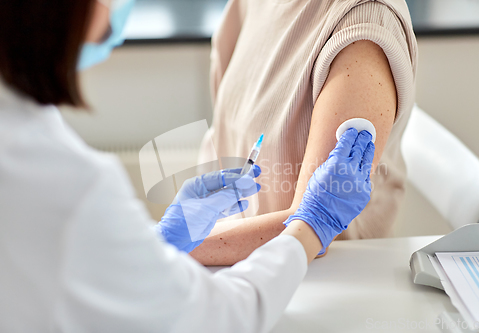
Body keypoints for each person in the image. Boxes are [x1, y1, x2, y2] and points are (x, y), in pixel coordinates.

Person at [0, 0, 375, 332]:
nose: (115, 8)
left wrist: (161, 242)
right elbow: (219, 318)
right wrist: (312, 225)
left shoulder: (362, 24)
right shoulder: (71, 184)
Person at [192, 0, 418, 265]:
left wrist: (175, 244)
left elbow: (309, 230)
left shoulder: (363, 29)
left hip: (313, 277)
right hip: (227, 261)